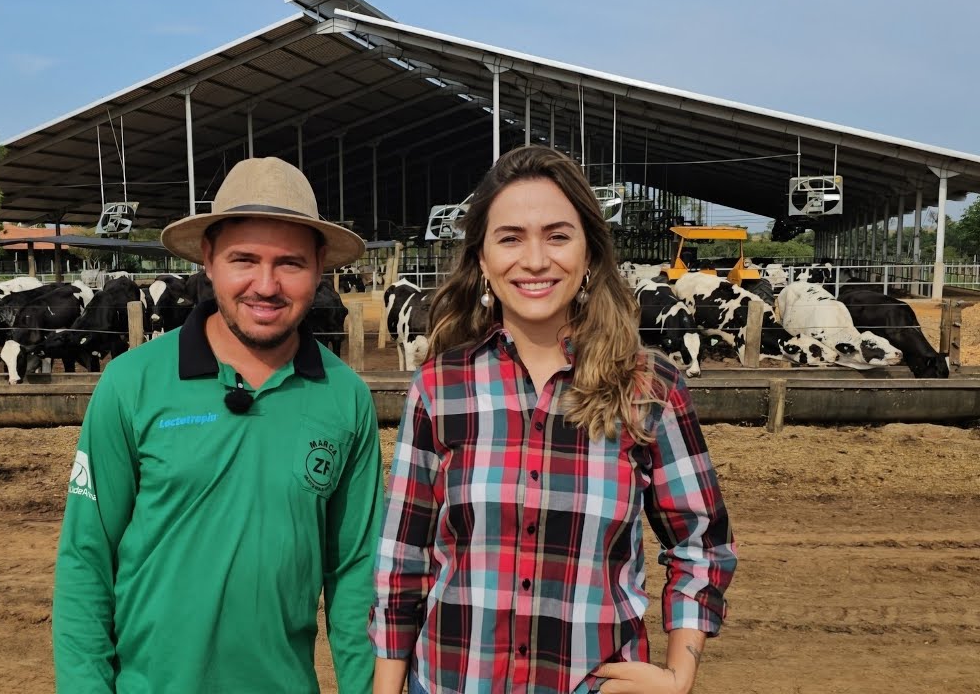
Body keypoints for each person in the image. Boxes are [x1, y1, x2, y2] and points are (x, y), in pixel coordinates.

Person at [369, 145, 737, 694]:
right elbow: (403, 562)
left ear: (589, 253)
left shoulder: (649, 387)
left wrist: (679, 675)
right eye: (511, 237)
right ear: (482, 259)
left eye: (558, 236)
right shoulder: (439, 388)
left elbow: (701, 543)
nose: (536, 260)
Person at [53, 157, 384, 693]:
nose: (266, 284)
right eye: (244, 259)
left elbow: (355, 576)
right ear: (208, 259)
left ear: (321, 267)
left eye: (291, 263)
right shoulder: (131, 384)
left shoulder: (344, 399)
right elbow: (86, 560)